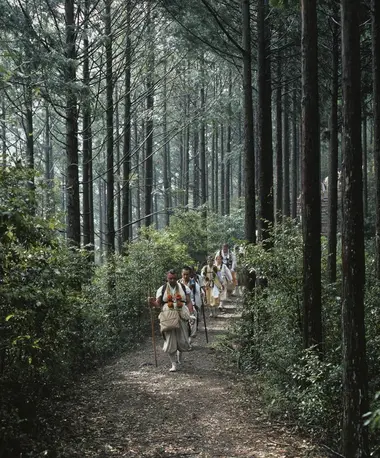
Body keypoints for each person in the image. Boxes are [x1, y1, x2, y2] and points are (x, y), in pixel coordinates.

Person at [149, 270, 194, 372]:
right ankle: (173, 364)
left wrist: (191, 314)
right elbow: (158, 304)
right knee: (170, 340)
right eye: (170, 278)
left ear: (176, 277)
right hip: (168, 316)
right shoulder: (162, 289)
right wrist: (152, 302)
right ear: (167, 278)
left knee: (182, 339)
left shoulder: (183, 287)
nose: (172, 280)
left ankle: (179, 357)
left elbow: (189, 301)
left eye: (174, 278)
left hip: (181, 314)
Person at [178, 266, 199, 346]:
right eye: (184, 274)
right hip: (179, 305)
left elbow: (198, 294)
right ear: (181, 274)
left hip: (191, 304)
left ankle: (191, 336)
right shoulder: (177, 283)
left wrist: (198, 304)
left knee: (194, 316)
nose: (185, 276)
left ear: (190, 274)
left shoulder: (193, 282)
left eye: (187, 274)